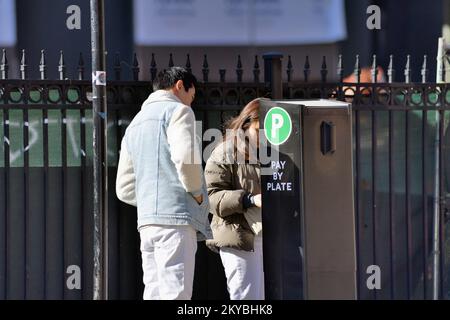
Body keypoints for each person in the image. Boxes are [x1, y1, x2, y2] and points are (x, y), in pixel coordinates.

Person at [115, 66, 211, 300]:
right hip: (176, 219)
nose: (191, 102)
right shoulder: (179, 112)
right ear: (180, 85)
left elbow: (124, 188)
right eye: (192, 94)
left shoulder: (135, 124)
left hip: (147, 222)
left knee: (154, 292)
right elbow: (185, 158)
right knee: (176, 294)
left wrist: (152, 199)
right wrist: (197, 194)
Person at [204, 98, 264, 300]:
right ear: (246, 125)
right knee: (245, 297)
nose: (265, 137)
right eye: (259, 130)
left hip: (268, 234)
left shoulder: (275, 152)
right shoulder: (225, 151)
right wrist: (249, 200)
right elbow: (211, 197)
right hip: (239, 234)